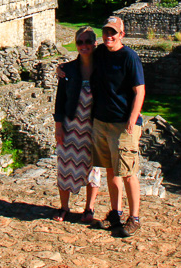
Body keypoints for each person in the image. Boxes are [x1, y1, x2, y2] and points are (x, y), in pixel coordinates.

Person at [91, 15, 145, 237]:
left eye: (113, 32)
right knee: (112, 171)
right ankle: (116, 213)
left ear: (122, 34)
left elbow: (139, 90)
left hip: (124, 124)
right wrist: (61, 68)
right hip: (102, 121)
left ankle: (134, 217)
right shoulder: (99, 53)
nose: (109, 36)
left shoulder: (129, 57)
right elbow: (81, 64)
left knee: (128, 173)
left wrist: (132, 119)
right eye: (106, 32)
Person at [52, 26, 102, 222]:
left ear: (94, 43)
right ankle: (64, 207)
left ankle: (89, 208)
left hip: (94, 126)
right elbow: (60, 98)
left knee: (92, 167)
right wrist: (58, 125)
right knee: (65, 165)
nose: (84, 46)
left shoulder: (102, 68)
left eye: (88, 41)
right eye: (80, 42)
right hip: (71, 125)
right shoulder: (68, 69)